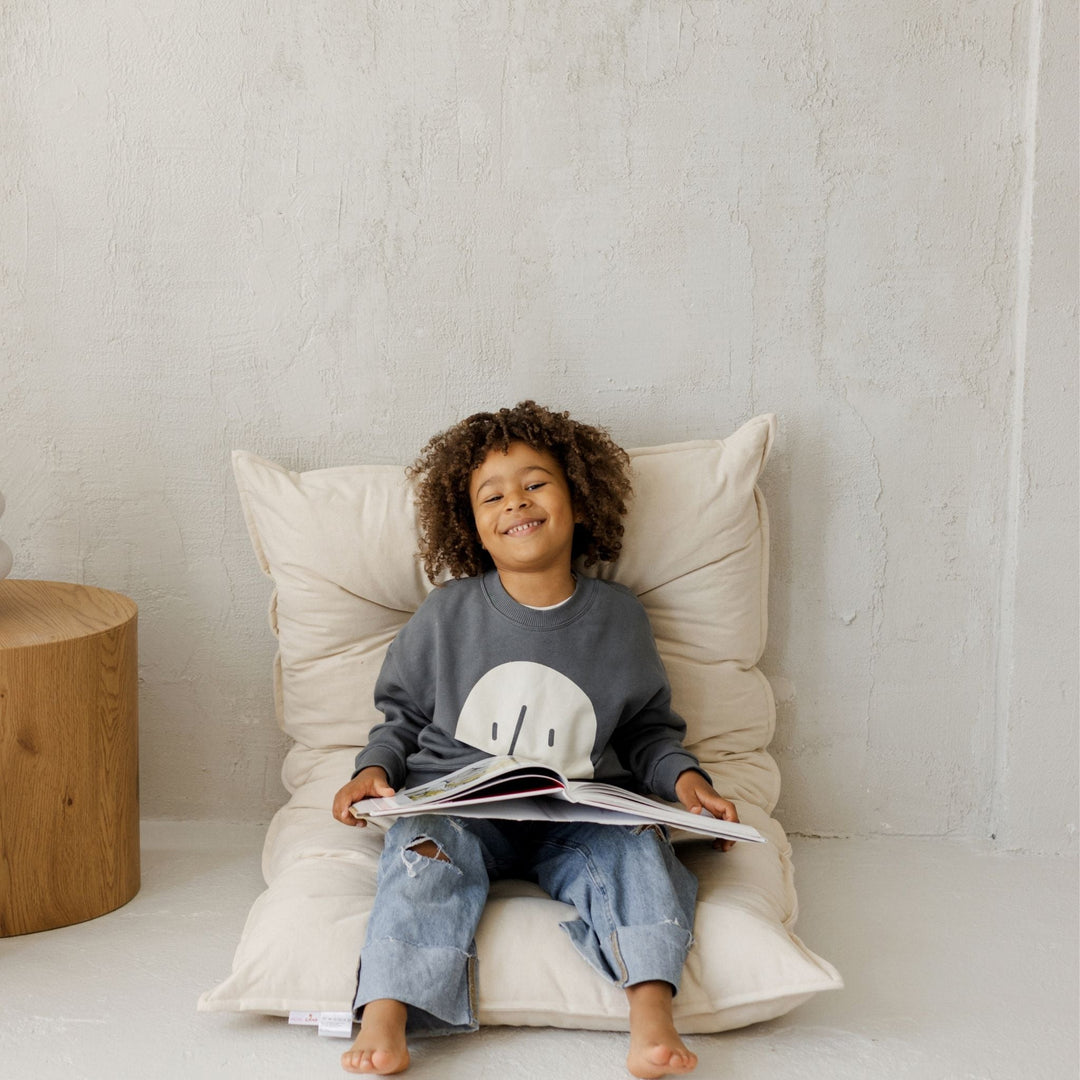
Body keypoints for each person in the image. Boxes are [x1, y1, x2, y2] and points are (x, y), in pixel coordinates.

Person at [332, 401, 740, 1078]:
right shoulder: (448, 613)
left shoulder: (618, 618)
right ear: (474, 531)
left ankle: (651, 1016)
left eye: (535, 483)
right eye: (492, 495)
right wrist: (371, 770)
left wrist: (686, 784)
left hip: (579, 811)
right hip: (460, 806)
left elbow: (647, 731)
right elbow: (398, 715)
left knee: (641, 852)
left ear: (578, 501)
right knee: (421, 852)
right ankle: (385, 1010)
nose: (515, 501)